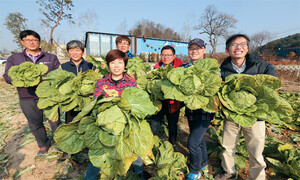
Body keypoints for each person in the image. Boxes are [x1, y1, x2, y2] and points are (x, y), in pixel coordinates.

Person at [215, 34, 276, 180]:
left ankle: (257, 177)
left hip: (255, 115)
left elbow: (272, 89)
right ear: (227, 50)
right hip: (231, 114)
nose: (238, 47)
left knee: (256, 151)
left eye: (242, 44)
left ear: (247, 48)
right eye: (233, 45)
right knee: (227, 147)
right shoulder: (222, 70)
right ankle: (229, 172)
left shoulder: (263, 66)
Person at [84, 49, 150, 180]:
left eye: (120, 62)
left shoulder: (131, 83)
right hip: (105, 124)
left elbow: (137, 103)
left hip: (127, 123)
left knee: (131, 149)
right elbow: (96, 104)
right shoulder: (101, 83)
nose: (116, 66)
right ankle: (90, 177)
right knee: (98, 151)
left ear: (125, 65)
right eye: (113, 62)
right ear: (108, 65)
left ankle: (140, 170)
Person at [3, 30, 61, 155]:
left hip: (48, 96)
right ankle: (43, 144)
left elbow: (58, 74)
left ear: (39, 42)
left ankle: (61, 143)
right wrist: (21, 81)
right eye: (28, 40)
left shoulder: (50, 58)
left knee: (55, 121)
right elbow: (7, 76)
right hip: (27, 96)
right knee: (35, 123)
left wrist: (43, 79)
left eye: (34, 40)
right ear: (22, 42)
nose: (32, 42)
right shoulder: (14, 59)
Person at [181, 38, 214, 180]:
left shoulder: (212, 66)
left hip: (205, 109)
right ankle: (204, 163)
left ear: (204, 50)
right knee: (199, 140)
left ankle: (195, 171)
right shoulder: (184, 68)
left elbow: (214, 85)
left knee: (193, 142)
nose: (194, 51)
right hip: (191, 109)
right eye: (191, 48)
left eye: (198, 48)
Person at [150, 45, 183, 148]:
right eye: (163, 55)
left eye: (168, 55)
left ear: (174, 56)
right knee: (154, 124)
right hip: (158, 102)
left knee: (172, 125)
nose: (166, 57)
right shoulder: (156, 69)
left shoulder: (180, 69)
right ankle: (153, 145)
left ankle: (173, 144)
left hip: (174, 103)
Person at [61, 40, 94, 123]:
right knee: (71, 125)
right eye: (71, 50)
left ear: (82, 52)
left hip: (87, 102)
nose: (74, 53)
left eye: (77, 50)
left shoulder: (90, 66)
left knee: (86, 124)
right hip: (70, 102)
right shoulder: (63, 67)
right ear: (68, 52)